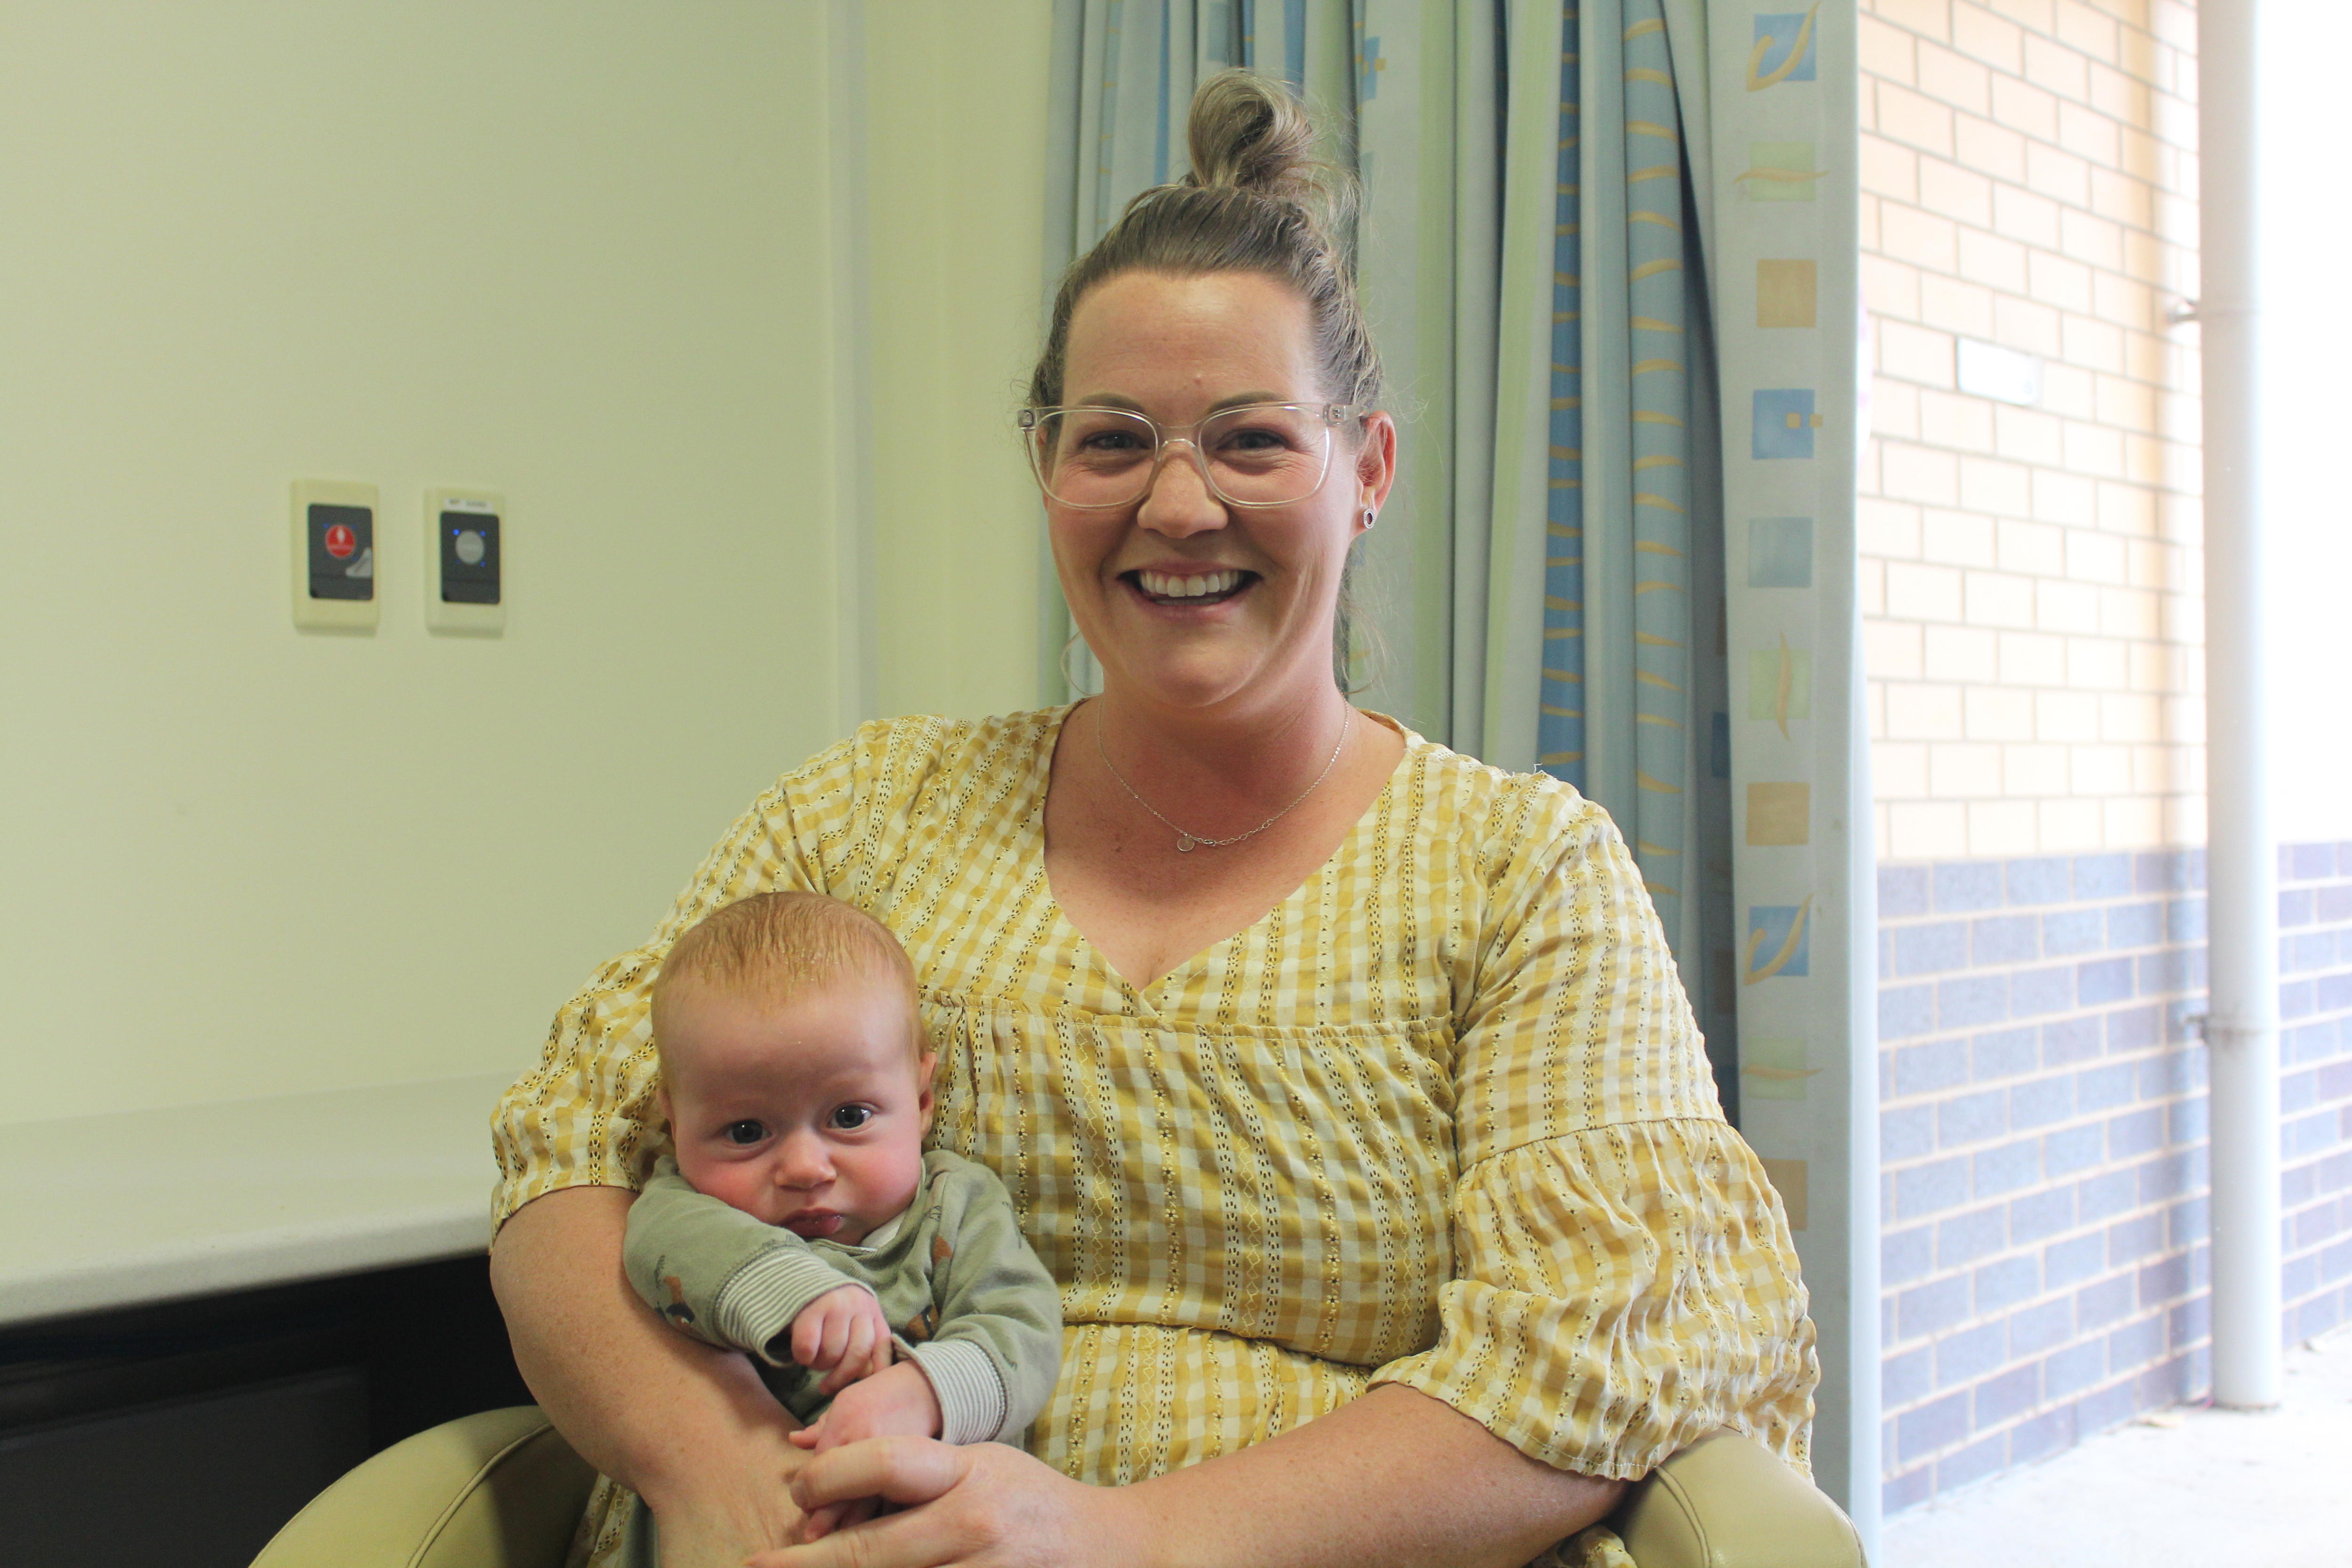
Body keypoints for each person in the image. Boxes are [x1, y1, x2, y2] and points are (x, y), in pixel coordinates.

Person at [489, 68, 1816, 1568]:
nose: (1178, 506)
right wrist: (714, 1466)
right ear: (1047, 466)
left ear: (1367, 470)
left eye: (1252, 440)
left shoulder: (1522, 870)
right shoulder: (860, 815)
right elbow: (569, 1151)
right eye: (1114, 440)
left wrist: (1120, 1534)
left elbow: (1585, 1354)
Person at [614, 891, 1062, 1560]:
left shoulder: (958, 1204)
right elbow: (662, 1247)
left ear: (921, 1098)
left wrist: (924, 1392)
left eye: (849, 1117)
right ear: (675, 1122)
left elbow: (1024, 1326)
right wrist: (798, 1292)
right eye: (746, 1131)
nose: (804, 1167)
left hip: (945, 1538)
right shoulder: (683, 1209)